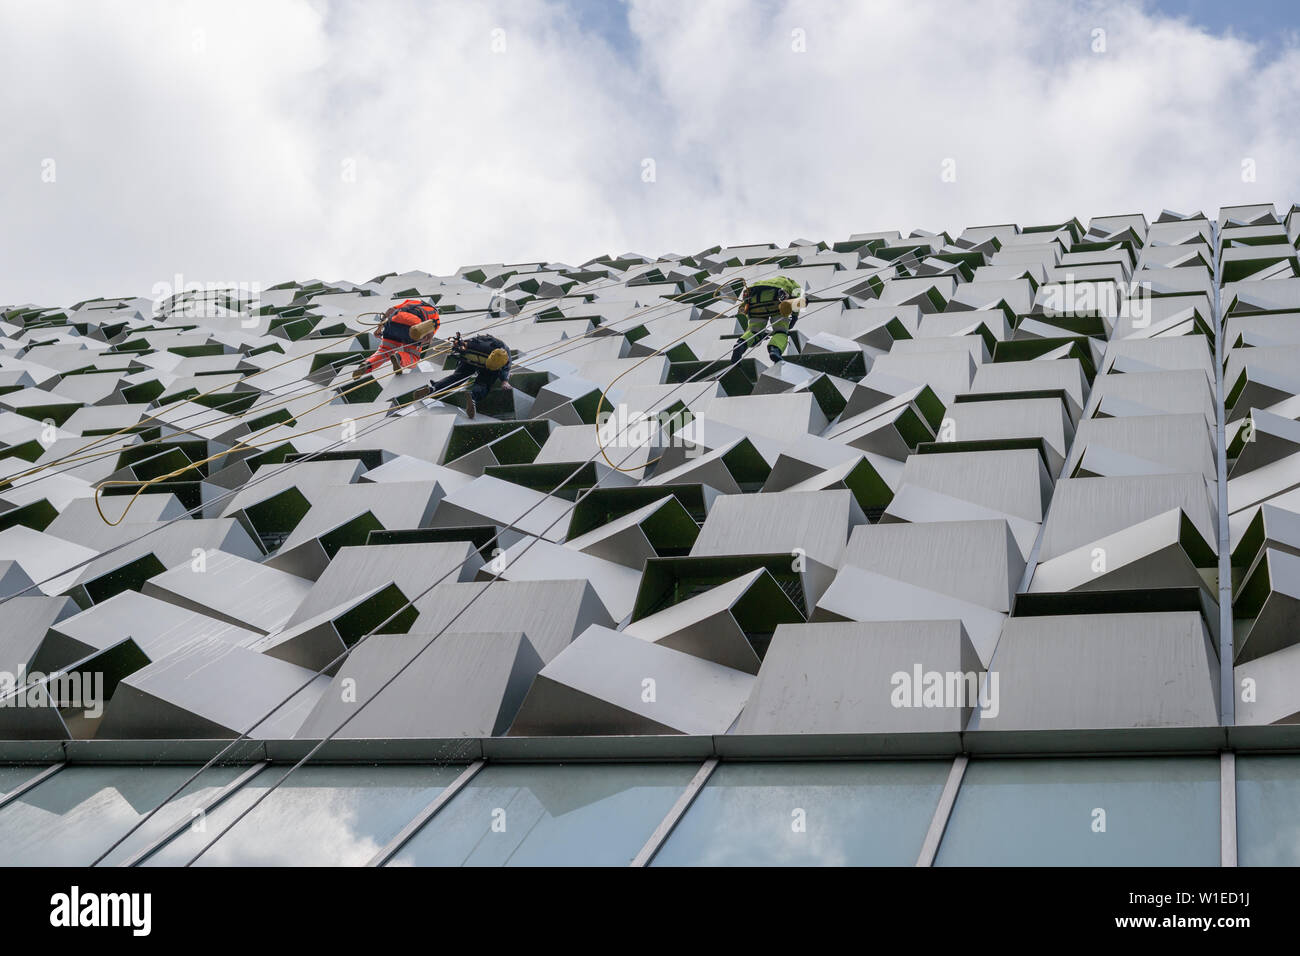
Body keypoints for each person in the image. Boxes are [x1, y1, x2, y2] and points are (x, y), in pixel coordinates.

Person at [415, 331, 513, 418]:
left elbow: (461, 346)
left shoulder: (500, 355)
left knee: (456, 377)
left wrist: (505, 380)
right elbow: (506, 369)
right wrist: (504, 381)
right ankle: (473, 396)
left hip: (471, 359)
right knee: (484, 383)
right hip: (475, 360)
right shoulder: (503, 356)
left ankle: (433, 388)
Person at [352, 299, 440, 379]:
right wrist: (419, 343)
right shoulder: (435, 315)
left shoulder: (412, 302)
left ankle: (367, 365)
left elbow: (390, 310)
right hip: (412, 327)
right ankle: (399, 357)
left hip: (393, 323)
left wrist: (379, 328)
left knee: (384, 351)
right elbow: (429, 337)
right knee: (413, 358)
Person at [730, 276, 807, 363]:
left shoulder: (764, 282)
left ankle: (741, 344)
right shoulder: (793, 284)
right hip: (776, 300)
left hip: (755, 301)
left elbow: (746, 308)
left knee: (754, 331)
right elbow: (797, 299)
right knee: (780, 331)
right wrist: (794, 317)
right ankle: (775, 350)